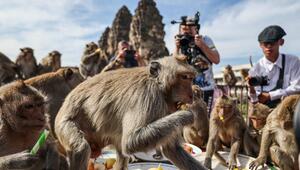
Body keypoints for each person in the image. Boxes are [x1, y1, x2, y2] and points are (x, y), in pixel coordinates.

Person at [174, 12, 220, 114]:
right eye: (184, 30)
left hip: (206, 90)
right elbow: (174, 66)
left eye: (190, 30)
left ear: (196, 29)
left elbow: (216, 60)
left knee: (205, 121)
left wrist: (202, 45)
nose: (187, 33)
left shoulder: (206, 40)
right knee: (187, 123)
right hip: (186, 91)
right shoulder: (181, 42)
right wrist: (177, 48)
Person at [248, 25, 300, 108]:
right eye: (265, 44)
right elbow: (254, 99)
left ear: (281, 42)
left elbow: (297, 87)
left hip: (287, 108)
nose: (269, 47)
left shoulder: (293, 61)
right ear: (260, 45)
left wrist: (270, 95)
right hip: (263, 109)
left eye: (272, 43)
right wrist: (251, 90)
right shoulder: (256, 67)